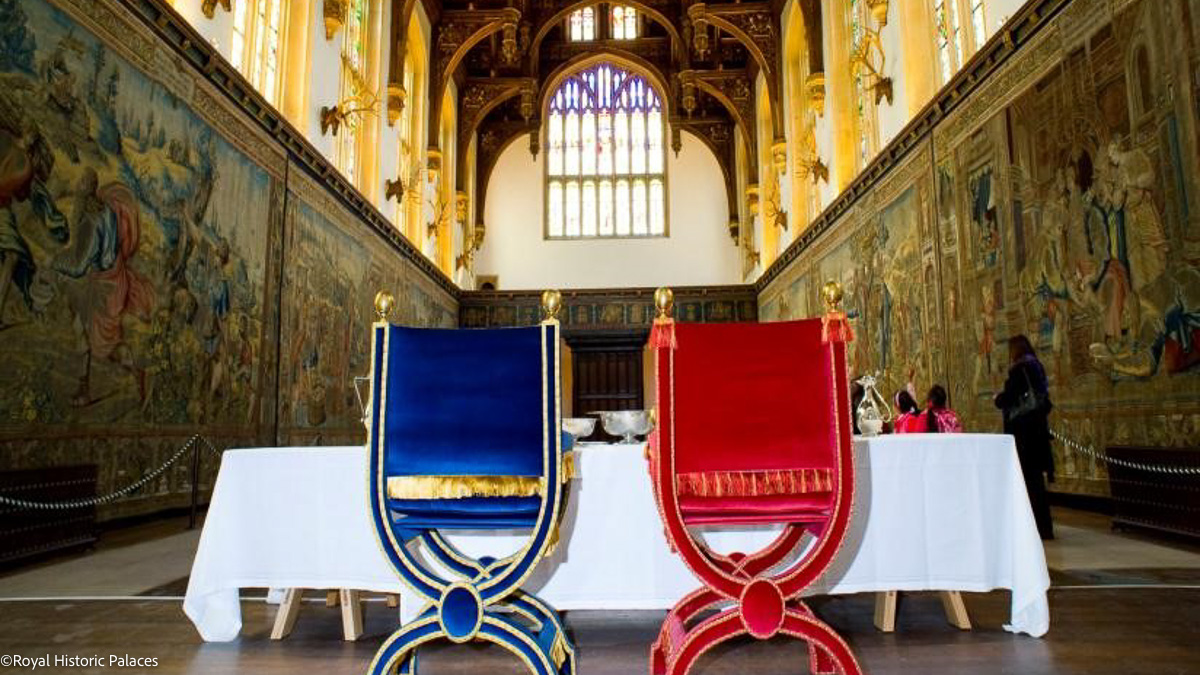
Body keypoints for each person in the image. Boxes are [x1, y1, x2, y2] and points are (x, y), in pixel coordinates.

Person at [995, 335, 1055, 540]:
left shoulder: (1020, 370)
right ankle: (1045, 526)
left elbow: (1009, 398)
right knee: (1037, 482)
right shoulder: (1037, 367)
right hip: (1038, 431)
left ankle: (1035, 527)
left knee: (1029, 482)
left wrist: (999, 398)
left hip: (1024, 435)